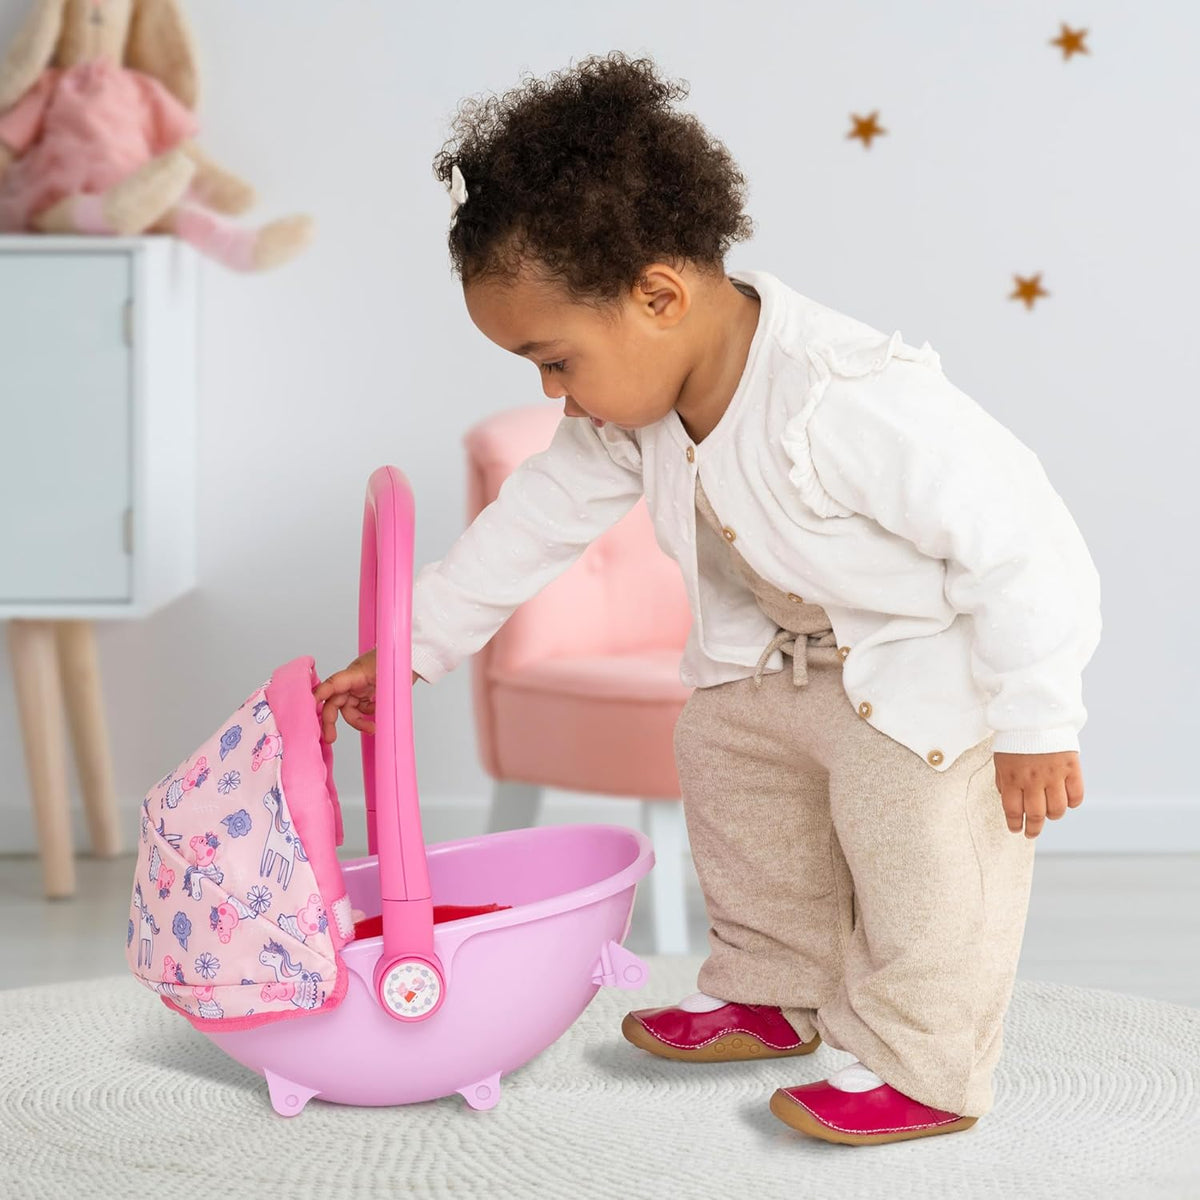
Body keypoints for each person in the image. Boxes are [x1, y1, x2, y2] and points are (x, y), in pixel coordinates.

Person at [312, 51, 1101, 1147]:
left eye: (555, 359)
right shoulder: (625, 417)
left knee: (927, 871)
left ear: (658, 296)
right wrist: (407, 649)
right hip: (776, 664)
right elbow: (529, 526)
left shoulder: (848, 401)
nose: (550, 391)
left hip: (924, 677)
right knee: (732, 779)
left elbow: (1023, 544)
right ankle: (773, 989)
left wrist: (1036, 718)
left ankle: (925, 1065)